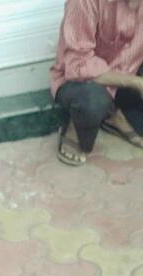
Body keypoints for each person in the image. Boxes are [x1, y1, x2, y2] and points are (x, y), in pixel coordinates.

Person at [50, 0, 143, 165]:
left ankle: (115, 116)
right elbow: (78, 65)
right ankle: (75, 123)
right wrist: (136, 83)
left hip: (128, 73)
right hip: (81, 80)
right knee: (92, 102)